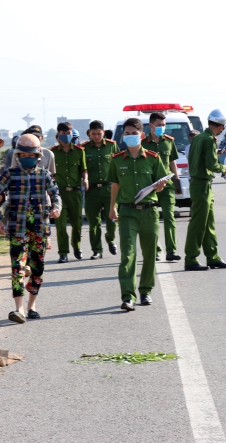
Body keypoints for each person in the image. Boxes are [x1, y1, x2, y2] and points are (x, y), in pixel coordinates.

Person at [0, 134, 62, 323]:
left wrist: (56, 208)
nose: (26, 158)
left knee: (37, 268)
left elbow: (55, 194)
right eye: (22, 155)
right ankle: (19, 309)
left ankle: (32, 306)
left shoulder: (44, 175)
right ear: (17, 156)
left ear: (38, 155)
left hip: (40, 228)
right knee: (17, 267)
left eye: (30, 154)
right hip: (17, 228)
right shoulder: (9, 175)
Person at [107, 118, 167, 311]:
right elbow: (115, 185)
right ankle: (127, 296)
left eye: (134, 133)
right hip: (127, 212)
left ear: (142, 135)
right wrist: (112, 207)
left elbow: (163, 184)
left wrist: (160, 186)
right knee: (128, 255)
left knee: (150, 255)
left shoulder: (153, 158)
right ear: (122, 136)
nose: (130, 137)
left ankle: (146, 291)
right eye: (127, 134)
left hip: (149, 212)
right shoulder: (116, 160)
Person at [184, 109, 226, 271]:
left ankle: (213, 257)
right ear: (220, 126)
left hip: (200, 183)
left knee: (208, 223)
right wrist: (224, 168)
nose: (222, 130)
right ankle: (191, 258)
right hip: (201, 184)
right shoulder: (209, 140)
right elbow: (212, 165)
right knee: (198, 224)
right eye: (222, 127)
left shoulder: (198, 138)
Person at [141, 112, 182, 262]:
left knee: (169, 217)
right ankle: (155, 250)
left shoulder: (169, 142)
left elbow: (172, 163)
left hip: (167, 185)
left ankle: (171, 251)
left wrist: (177, 182)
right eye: (159, 125)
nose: (162, 127)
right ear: (151, 125)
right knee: (152, 219)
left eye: (164, 125)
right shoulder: (143, 143)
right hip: (150, 187)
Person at [50, 122, 88, 262]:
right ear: (58, 135)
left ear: (72, 134)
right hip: (59, 193)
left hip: (75, 192)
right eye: (63, 133)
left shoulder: (80, 151)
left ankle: (76, 246)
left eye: (68, 133)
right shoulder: (52, 153)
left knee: (77, 224)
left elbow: (83, 169)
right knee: (60, 225)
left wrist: (86, 179)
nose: (66, 136)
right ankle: (63, 253)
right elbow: (50, 173)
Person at [82, 120, 119, 259]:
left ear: (103, 132)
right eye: (94, 134)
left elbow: (117, 164)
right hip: (92, 190)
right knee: (93, 222)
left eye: (99, 133)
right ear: (89, 133)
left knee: (112, 218)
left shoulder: (112, 146)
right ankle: (97, 250)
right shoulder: (84, 148)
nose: (96, 136)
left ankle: (110, 238)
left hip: (109, 188)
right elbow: (82, 167)